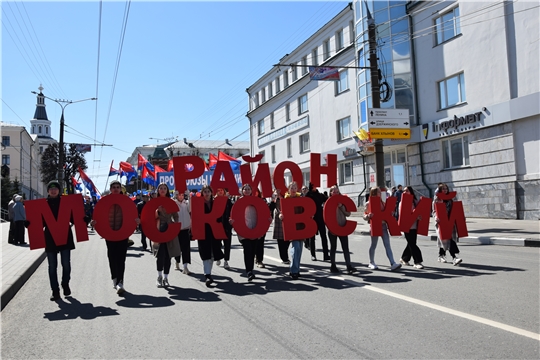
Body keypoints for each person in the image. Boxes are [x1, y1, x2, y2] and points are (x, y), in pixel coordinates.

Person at [91, 180, 139, 294]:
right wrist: (93, 222)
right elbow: (98, 216)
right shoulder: (104, 201)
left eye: (118, 187)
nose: (116, 189)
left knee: (121, 259)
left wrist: (136, 221)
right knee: (112, 258)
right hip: (110, 234)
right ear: (110, 189)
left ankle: (120, 282)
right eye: (114, 187)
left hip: (123, 234)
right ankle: (114, 279)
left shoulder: (127, 201)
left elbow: (132, 215)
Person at [42, 180, 75, 300]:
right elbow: (39, 222)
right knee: (52, 266)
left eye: (55, 188)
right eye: (51, 188)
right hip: (50, 238)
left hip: (65, 237)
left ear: (59, 190)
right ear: (48, 191)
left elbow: (74, 218)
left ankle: (65, 283)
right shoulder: (43, 204)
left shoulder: (65, 203)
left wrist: (84, 219)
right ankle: (55, 290)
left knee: (66, 264)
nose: (53, 190)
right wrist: (29, 224)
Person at [363, 187, 401, 271]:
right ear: (374, 193)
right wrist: (368, 216)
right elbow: (364, 216)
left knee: (387, 245)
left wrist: (391, 213)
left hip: (383, 226)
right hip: (375, 226)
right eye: (379, 192)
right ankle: (371, 262)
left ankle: (393, 263)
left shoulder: (383, 203)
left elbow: (386, 213)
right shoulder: (368, 204)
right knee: (373, 245)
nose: (381, 194)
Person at [230, 184, 261, 281]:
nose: (247, 191)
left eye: (248, 189)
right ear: (242, 191)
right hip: (243, 230)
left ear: (251, 190)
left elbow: (262, 213)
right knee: (247, 250)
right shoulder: (238, 202)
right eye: (245, 189)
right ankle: (249, 271)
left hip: (255, 228)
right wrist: (232, 222)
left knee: (253, 251)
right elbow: (233, 214)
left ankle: (250, 269)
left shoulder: (256, 201)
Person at [154, 183, 181, 288]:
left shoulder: (171, 202)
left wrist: (174, 225)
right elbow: (150, 216)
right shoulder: (154, 202)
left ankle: (166, 278)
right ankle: (159, 277)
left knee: (168, 256)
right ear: (158, 190)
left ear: (167, 190)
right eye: (161, 188)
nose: (163, 190)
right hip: (158, 229)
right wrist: (157, 211)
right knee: (160, 255)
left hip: (169, 230)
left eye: (165, 188)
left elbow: (176, 215)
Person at [196, 185, 225, 287]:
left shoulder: (215, 203)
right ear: (202, 193)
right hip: (203, 231)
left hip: (214, 231)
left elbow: (220, 217)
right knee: (205, 253)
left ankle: (209, 273)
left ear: (211, 193)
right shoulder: (198, 204)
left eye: (208, 191)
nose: (207, 194)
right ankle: (207, 274)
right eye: (205, 192)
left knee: (212, 253)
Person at [327, 185, 356, 274]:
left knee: (345, 247)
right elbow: (326, 216)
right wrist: (329, 227)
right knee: (333, 247)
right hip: (332, 228)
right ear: (331, 193)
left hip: (343, 227)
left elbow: (348, 214)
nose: (335, 193)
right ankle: (333, 265)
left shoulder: (343, 201)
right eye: (333, 191)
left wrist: (341, 206)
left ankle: (349, 266)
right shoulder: (327, 203)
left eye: (337, 191)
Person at [279, 181, 304, 280]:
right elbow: (280, 211)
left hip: (301, 226)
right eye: (291, 188)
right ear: (288, 190)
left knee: (300, 249)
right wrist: (280, 215)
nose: (293, 190)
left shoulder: (301, 199)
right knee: (295, 247)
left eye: (294, 188)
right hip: (291, 227)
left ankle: (297, 269)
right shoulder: (285, 199)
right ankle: (293, 270)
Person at [433, 183, 462, 265]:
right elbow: (434, 211)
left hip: (450, 221)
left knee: (446, 240)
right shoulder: (437, 200)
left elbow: (455, 209)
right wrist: (436, 218)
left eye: (446, 188)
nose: (445, 190)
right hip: (441, 222)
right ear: (440, 190)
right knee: (448, 239)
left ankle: (441, 255)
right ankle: (454, 257)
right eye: (443, 189)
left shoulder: (450, 199)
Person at [399, 186, 424, 269]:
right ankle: (417, 261)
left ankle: (404, 258)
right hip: (406, 226)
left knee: (411, 243)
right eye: (404, 191)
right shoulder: (401, 203)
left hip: (414, 226)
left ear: (411, 192)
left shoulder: (415, 201)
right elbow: (403, 215)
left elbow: (420, 212)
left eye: (407, 191)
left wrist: (419, 216)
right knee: (412, 244)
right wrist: (414, 216)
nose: (404, 192)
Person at [305, 182, 330, 261]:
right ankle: (313, 255)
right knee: (311, 237)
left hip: (320, 218)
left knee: (324, 236)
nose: (315, 187)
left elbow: (327, 200)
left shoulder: (320, 194)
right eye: (313, 185)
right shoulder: (308, 195)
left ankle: (326, 255)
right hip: (312, 218)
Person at [173, 190, 192, 274]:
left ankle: (185, 267)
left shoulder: (187, 203)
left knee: (186, 249)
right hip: (177, 229)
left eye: (182, 195)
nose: (181, 196)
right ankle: (177, 262)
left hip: (186, 228)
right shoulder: (174, 203)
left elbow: (191, 209)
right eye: (179, 195)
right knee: (177, 248)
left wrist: (190, 196)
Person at [269, 188, 290, 264]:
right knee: (280, 239)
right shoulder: (274, 195)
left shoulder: (288, 194)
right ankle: (284, 257)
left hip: (288, 217)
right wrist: (276, 195)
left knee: (288, 239)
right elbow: (272, 205)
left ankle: (285, 254)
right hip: (279, 216)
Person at [215, 188, 233, 270]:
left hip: (227, 225)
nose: (220, 192)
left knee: (227, 244)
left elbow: (233, 211)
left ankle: (226, 260)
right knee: (217, 243)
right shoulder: (214, 200)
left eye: (222, 190)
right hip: (217, 225)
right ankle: (218, 257)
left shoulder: (228, 201)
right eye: (218, 190)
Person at [254, 188, 268, 268]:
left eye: (256, 192)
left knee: (260, 242)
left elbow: (267, 210)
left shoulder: (263, 200)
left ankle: (259, 260)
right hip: (251, 224)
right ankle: (255, 256)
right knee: (253, 243)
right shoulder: (245, 200)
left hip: (261, 224)